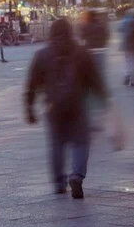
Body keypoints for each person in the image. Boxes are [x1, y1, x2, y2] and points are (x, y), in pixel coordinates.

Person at [24, 18, 107, 198]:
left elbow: (31, 84)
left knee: (56, 144)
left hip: (53, 107)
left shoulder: (42, 55)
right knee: (81, 141)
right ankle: (76, 175)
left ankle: (59, 182)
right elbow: (95, 80)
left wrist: (29, 108)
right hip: (77, 106)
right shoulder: (82, 53)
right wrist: (105, 101)